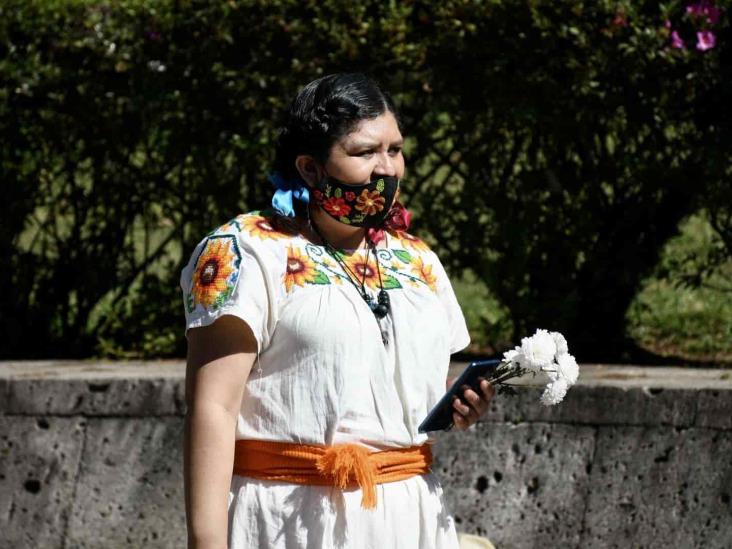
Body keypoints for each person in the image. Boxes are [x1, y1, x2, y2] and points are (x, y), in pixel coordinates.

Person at [181, 73, 496, 549]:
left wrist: (458, 408)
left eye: (395, 149)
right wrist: (207, 543)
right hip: (290, 518)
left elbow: (406, 401)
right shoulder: (245, 251)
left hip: (411, 516)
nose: (386, 168)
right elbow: (213, 408)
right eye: (364, 152)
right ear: (310, 167)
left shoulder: (417, 260)